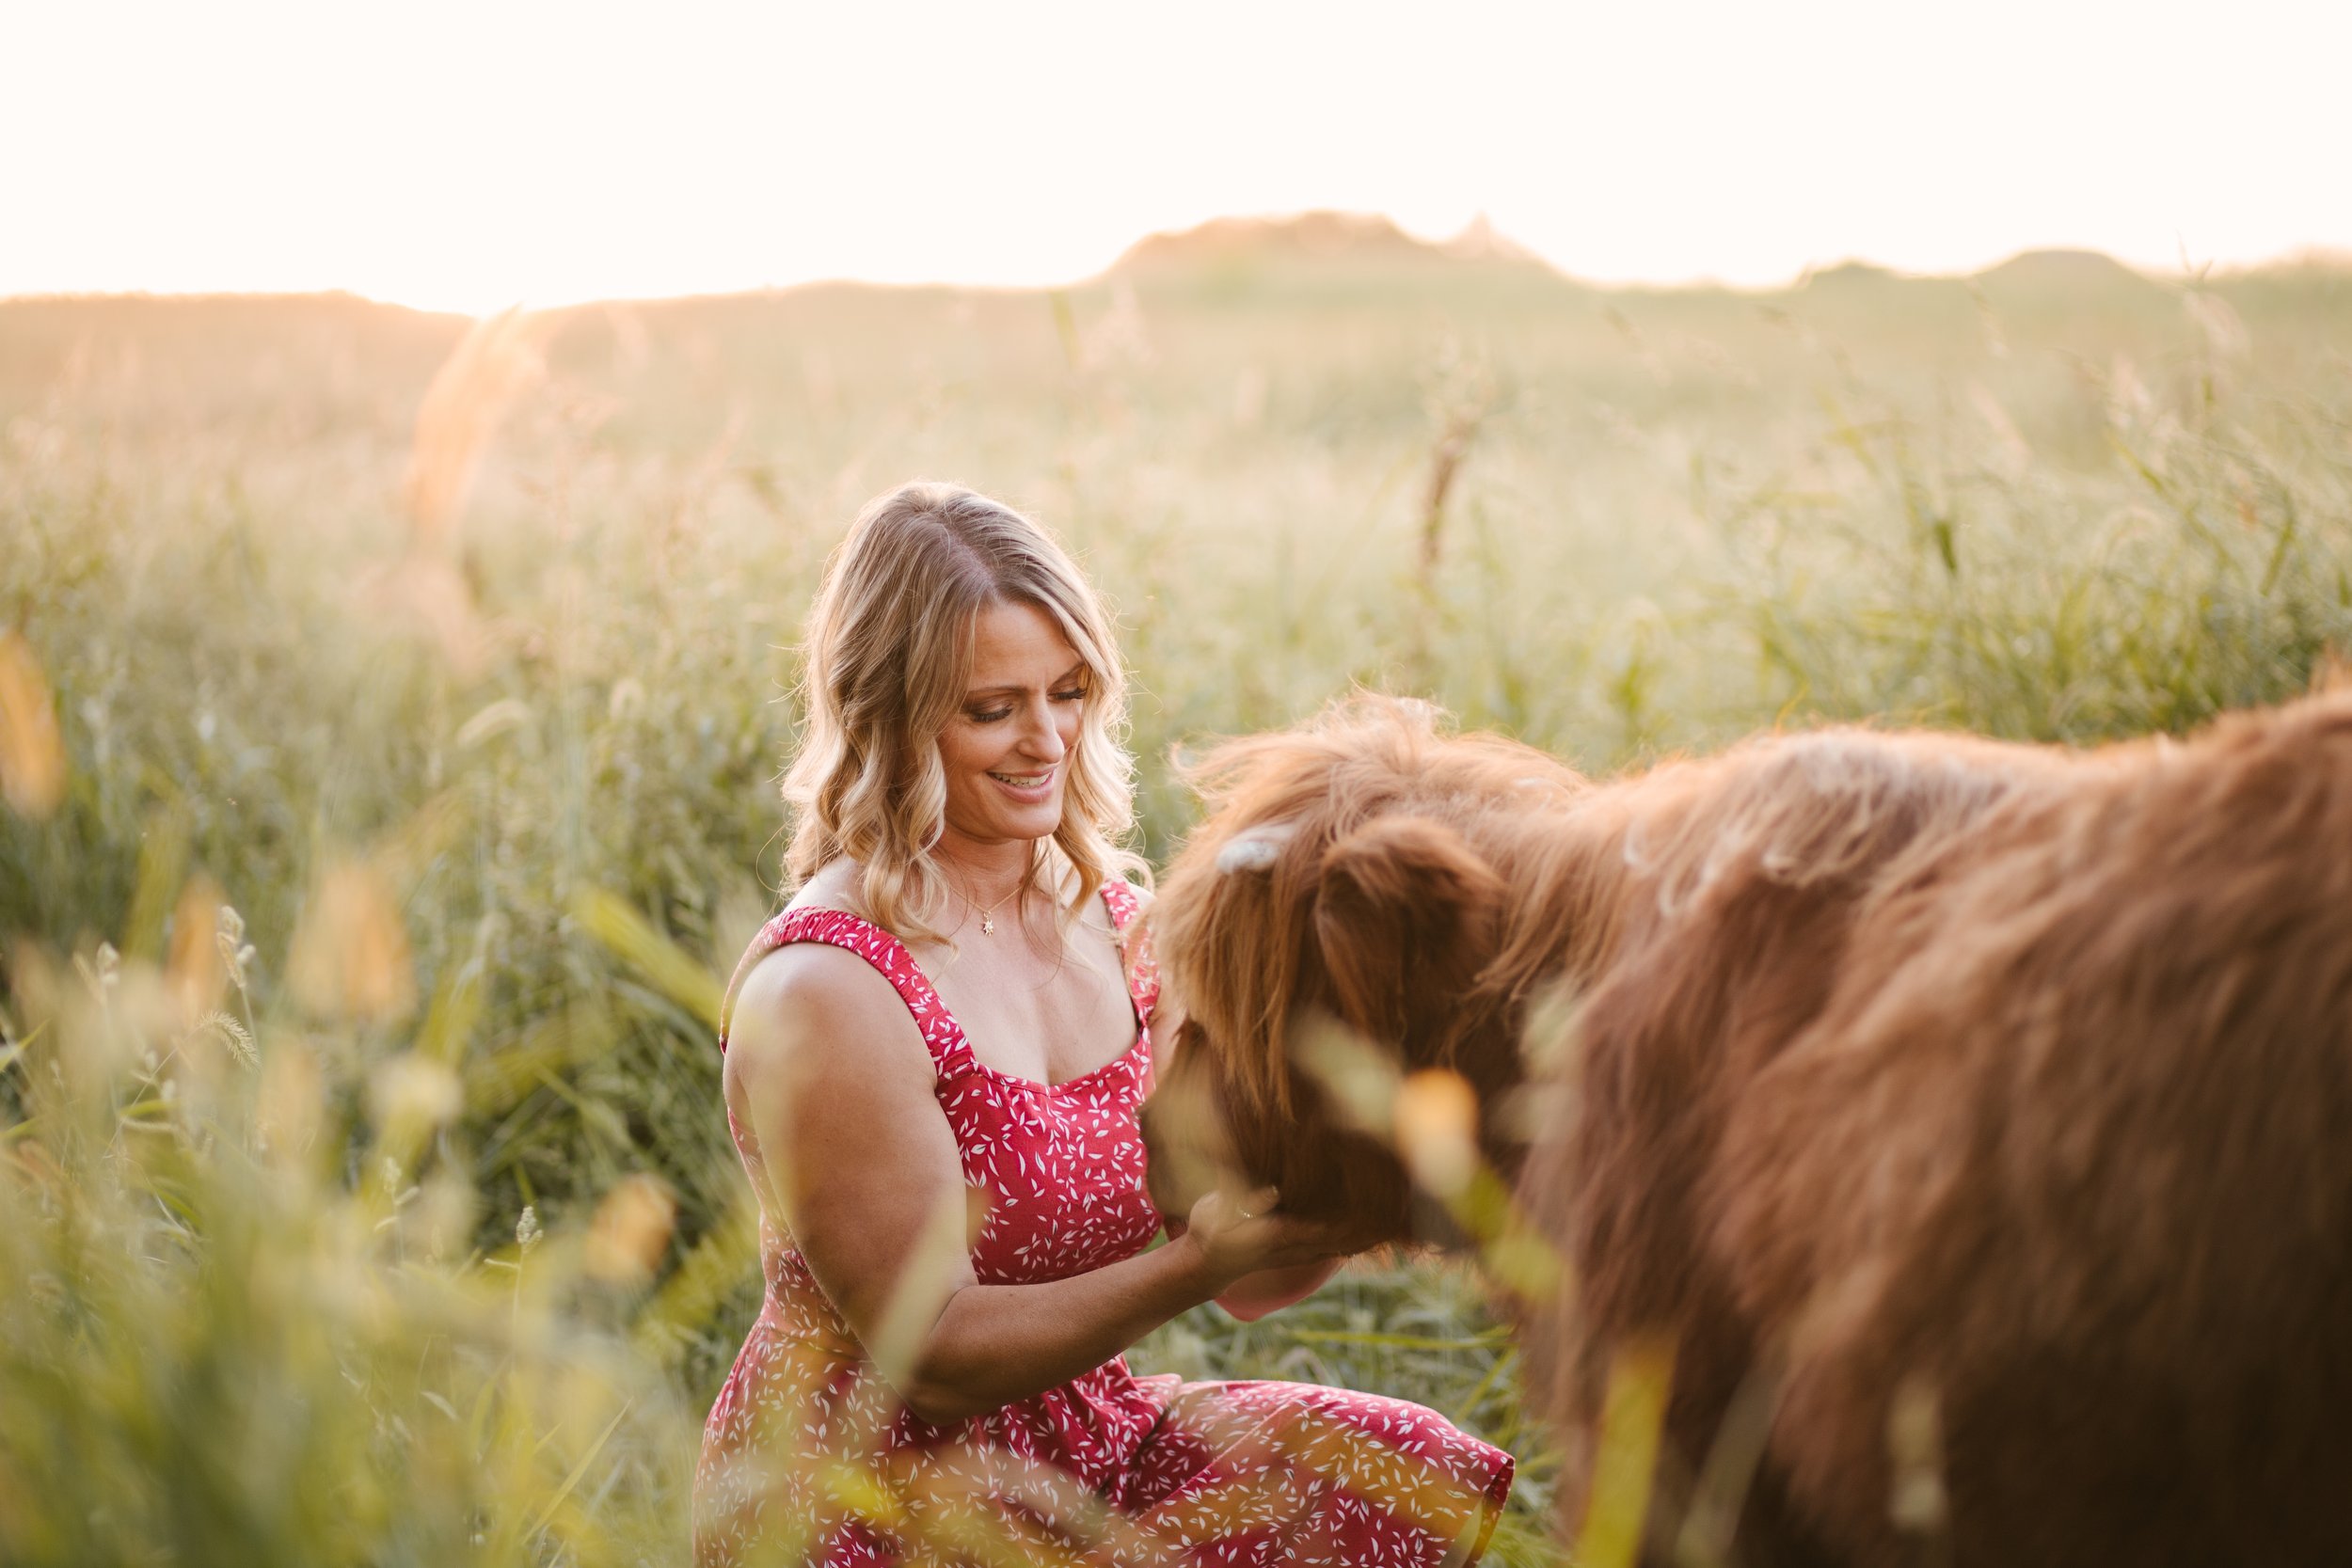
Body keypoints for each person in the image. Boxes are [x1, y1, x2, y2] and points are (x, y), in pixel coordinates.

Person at [693, 483, 1514, 1567]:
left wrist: (1367, 1141)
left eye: (1069, 692)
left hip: (1089, 1446)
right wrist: (1189, 1269)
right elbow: (927, 1350)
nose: (1046, 739)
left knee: (1403, 1472)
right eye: (992, 707)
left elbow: (1250, 1272)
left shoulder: (1130, 936)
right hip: (871, 1504)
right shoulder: (828, 990)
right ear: (887, 712)